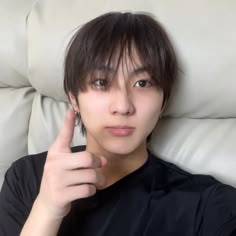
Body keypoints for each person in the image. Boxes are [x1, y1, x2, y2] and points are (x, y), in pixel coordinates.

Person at [0, 11, 236, 236]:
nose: (123, 106)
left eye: (142, 83)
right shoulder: (26, 178)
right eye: (101, 82)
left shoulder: (208, 205)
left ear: (163, 100)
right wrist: (47, 209)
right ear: (74, 99)